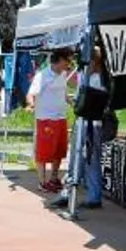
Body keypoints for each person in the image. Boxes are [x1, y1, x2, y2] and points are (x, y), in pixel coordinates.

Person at [27, 49, 73, 191]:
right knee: (44, 152)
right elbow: (30, 94)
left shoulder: (63, 74)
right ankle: (42, 182)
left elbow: (64, 93)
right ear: (59, 60)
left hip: (61, 117)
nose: (69, 64)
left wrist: (71, 102)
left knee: (59, 151)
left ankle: (54, 178)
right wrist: (31, 104)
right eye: (68, 61)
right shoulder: (42, 76)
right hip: (45, 119)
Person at [73, 45, 111, 210]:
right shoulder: (99, 78)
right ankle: (90, 193)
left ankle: (93, 195)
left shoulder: (96, 79)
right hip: (91, 122)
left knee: (90, 158)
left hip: (91, 123)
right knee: (88, 158)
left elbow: (86, 101)